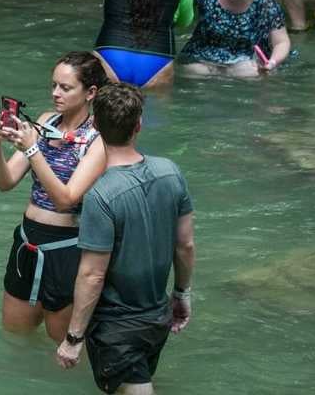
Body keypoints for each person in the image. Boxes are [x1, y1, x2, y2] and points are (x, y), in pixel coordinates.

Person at [56, 83, 195, 395]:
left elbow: (92, 274)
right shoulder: (170, 172)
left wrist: (73, 338)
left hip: (117, 327)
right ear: (139, 125)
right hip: (157, 317)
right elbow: (185, 245)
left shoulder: (101, 195)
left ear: (94, 126)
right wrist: (182, 294)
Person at [0, 51, 108, 342]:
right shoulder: (44, 122)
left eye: (65, 88)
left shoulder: (99, 137)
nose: (56, 93)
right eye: (53, 85)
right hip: (28, 241)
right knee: (15, 338)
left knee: (60, 346)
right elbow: (6, 182)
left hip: (66, 247)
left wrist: (32, 150)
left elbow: (66, 200)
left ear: (90, 92)